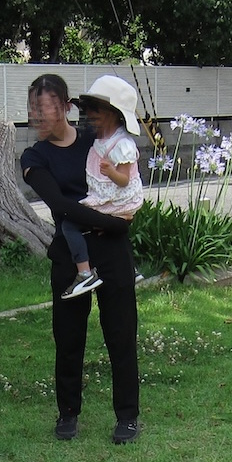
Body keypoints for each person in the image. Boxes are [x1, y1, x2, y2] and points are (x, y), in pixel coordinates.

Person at [20, 74, 141, 444]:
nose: (37, 118)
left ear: (66, 106)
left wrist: (118, 222)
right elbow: (59, 205)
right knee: (69, 337)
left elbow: (128, 180)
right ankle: (68, 413)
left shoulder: (98, 139)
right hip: (71, 255)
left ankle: (128, 416)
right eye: (32, 111)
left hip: (112, 252)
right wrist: (114, 224)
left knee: (121, 334)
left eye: (44, 110)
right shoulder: (34, 157)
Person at [59, 75, 145, 300]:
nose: (90, 114)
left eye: (95, 109)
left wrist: (111, 173)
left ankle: (85, 273)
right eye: (88, 109)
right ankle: (129, 268)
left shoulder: (122, 144)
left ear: (113, 113)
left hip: (116, 202)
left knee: (70, 225)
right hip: (108, 198)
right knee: (96, 231)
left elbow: (125, 179)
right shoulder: (102, 139)